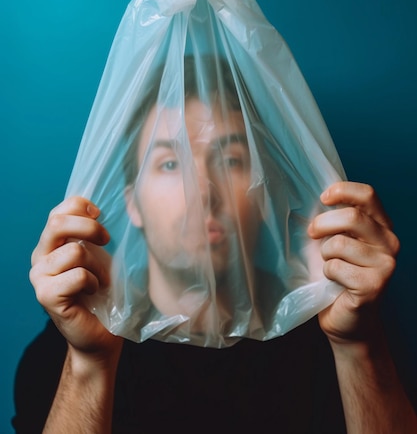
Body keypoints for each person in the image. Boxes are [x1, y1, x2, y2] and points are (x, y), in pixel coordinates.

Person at [13, 55, 417, 433]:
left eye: (230, 160)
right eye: (170, 164)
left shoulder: (336, 331)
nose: (203, 190)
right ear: (133, 204)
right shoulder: (65, 353)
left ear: (263, 192)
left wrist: (357, 347)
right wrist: (90, 364)